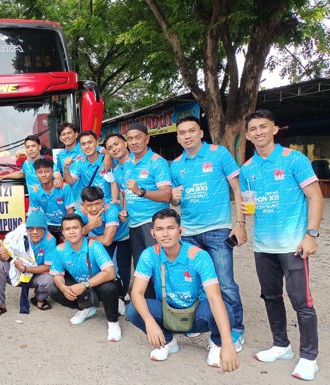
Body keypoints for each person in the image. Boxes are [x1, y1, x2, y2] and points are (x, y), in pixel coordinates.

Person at [240, 109, 323, 381]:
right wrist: (245, 214)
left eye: (264, 127)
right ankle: (281, 345)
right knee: (271, 296)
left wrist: (311, 234)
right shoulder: (248, 169)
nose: (259, 132)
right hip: (264, 245)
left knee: (302, 301)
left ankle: (309, 357)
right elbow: (249, 205)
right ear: (248, 135)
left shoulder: (293, 159)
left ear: (275, 129)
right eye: (253, 129)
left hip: (293, 244)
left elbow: (315, 197)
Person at [126, 209, 239, 371]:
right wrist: (149, 322)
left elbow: (214, 297)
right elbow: (136, 292)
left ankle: (217, 343)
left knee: (226, 309)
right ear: (153, 233)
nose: (165, 234)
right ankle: (167, 341)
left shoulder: (198, 256)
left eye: (170, 228)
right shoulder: (149, 255)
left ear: (180, 230)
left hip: (197, 314)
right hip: (167, 312)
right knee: (133, 310)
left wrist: (228, 343)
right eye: (159, 229)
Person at [169, 115, 246, 346]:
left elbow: (237, 188)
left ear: (201, 133)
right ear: (178, 137)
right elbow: (175, 200)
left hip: (218, 230)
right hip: (189, 233)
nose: (187, 136)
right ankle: (200, 322)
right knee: (195, 282)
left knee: (225, 282)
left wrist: (241, 224)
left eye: (191, 131)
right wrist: (173, 198)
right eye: (182, 133)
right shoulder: (176, 165)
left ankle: (236, 328)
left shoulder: (219, 153)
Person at [49, 213, 121, 342]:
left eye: (75, 228)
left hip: (99, 283)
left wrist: (84, 285)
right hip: (81, 284)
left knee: (109, 288)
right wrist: (63, 288)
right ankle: (86, 307)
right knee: (54, 289)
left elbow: (110, 273)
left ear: (83, 230)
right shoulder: (59, 250)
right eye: (67, 229)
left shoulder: (94, 245)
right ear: (63, 233)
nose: (71, 232)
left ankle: (113, 321)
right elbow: (57, 274)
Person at [124, 122, 172, 297]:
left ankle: (166, 306)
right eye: (130, 139)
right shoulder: (128, 163)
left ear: (147, 139)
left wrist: (141, 191)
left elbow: (166, 195)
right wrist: (124, 209)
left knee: (159, 266)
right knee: (141, 267)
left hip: (152, 223)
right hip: (134, 224)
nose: (134, 142)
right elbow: (124, 191)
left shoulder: (157, 162)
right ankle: (149, 305)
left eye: (138, 137)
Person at [0, 211, 57, 320]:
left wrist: (25, 269)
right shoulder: (19, 234)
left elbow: (47, 267)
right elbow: (5, 248)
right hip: (16, 272)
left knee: (50, 278)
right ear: (26, 229)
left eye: (39, 228)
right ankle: (0, 304)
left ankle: (39, 298)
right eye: (31, 228)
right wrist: (1, 254)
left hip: (35, 275)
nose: (35, 232)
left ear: (45, 229)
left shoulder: (50, 240)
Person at [76, 186, 130, 306]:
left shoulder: (111, 211)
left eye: (97, 204)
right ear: (82, 205)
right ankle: (99, 293)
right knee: (101, 266)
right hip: (102, 235)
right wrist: (90, 225)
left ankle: (123, 294)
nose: (94, 208)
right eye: (89, 205)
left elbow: (107, 240)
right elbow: (72, 236)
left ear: (103, 202)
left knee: (123, 265)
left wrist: (84, 237)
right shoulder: (80, 213)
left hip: (123, 235)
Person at [54, 123, 112, 203]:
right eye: (63, 134)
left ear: (75, 134)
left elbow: (107, 152)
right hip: (72, 197)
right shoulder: (60, 154)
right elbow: (60, 174)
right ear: (60, 138)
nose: (66, 136)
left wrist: (107, 156)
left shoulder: (86, 146)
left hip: (90, 197)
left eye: (69, 133)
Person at [64, 130, 119, 204]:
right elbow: (71, 181)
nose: (87, 146)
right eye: (83, 144)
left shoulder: (108, 160)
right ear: (80, 147)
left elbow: (116, 182)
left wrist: (108, 155)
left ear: (97, 143)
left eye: (90, 142)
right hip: (90, 204)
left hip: (108, 203)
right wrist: (66, 168)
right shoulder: (80, 162)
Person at [28, 158, 75, 241]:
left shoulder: (64, 187)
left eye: (47, 171)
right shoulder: (35, 191)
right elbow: (35, 215)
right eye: (40, 172)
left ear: (53, 172)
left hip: (65, 224)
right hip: (48, 226)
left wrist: (68, 231)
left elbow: (70, 212)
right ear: (36, 174)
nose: (43, 175)